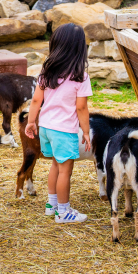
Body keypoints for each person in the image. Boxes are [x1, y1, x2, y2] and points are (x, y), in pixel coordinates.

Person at [24, 23, 93, 224]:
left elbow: (36, 100)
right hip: (64, 131)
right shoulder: (81, 77)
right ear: (80, 49)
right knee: (65, 171)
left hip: (46, 128)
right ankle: (63, 212)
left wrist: (31, 122)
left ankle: (51, 205)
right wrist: (86, 132)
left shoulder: (46, 72)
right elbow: (81, 108)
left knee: (55, 164)